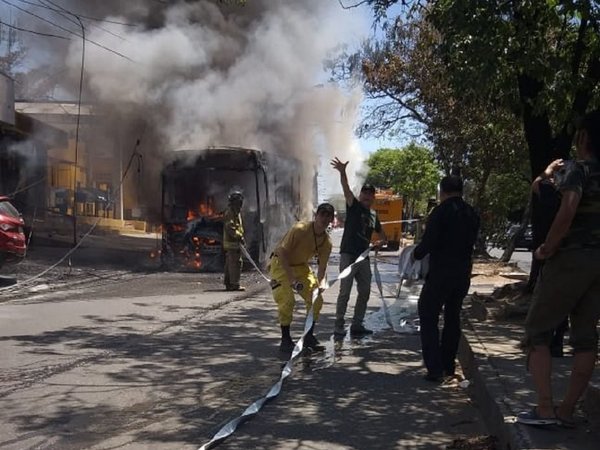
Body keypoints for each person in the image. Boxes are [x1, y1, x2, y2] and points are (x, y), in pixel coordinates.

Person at [516, 109, 600, 427]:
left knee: (537, 331)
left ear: (583, 138)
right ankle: (566, 410)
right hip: (597, 265)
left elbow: (566, 208)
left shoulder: (578, 170)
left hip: (569, 259)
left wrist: (547, 248)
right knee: (585, 338)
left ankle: (545, 408)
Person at [413, 175, 480, 382]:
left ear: (442, 191)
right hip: (462, 273)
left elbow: (428, 243)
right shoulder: (471, 213)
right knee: (453, 317)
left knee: (428, 315)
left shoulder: (440, 212)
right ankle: (449, 366)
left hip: (441, 273)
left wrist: (415, 255)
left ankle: (434, 368)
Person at [330, 157, 387, 337]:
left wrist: (380, 242)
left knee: (365, 291)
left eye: (370, 194)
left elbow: (383, 236)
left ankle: (357, 324)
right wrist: (342, 172)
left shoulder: (372, 215)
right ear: (361, 195)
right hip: (348, 255)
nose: (367, 196)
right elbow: (346, 190)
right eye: (365, 193)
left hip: (363, 258)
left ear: (373, 197)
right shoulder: (353, 206)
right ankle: (339, 325)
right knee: (344, 292)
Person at [270, 203, 335, 353]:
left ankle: (308, 336)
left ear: (331, 219)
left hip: (301, 267)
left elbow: (322, 268)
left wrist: (321, 284)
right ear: (316, 215)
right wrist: (292, 279)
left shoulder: (326, 242)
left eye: (328, 216)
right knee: (287, 300)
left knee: (316, 299)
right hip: (281, 264)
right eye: (322, 214)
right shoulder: (300, 229)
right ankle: (285, 340)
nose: (324, 219)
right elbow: (281, 251)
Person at [222, 191, 245, 291]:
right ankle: (234, 284)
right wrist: (239, 236)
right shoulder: (230, 212)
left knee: (230, 263)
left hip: (234, 242)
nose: (240, 204)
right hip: (232, 242)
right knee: (235, 263)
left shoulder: (235, 211)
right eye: (238, 202)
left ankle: (228, 283)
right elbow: (230, 227)